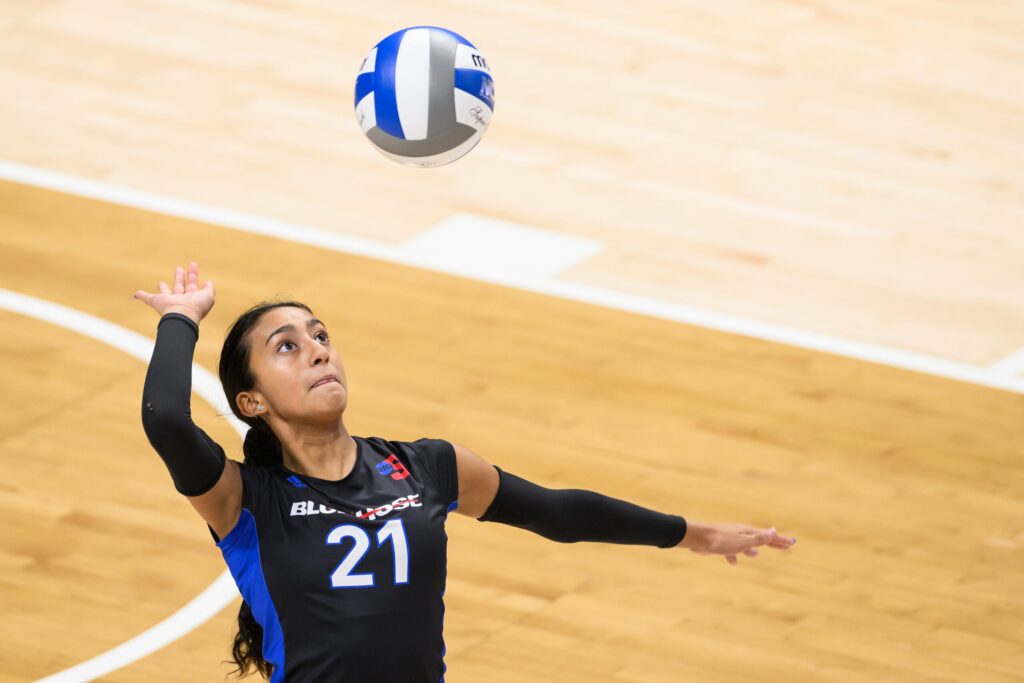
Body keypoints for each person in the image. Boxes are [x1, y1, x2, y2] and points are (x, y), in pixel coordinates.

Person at [134, 262, 796, 682]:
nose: (317, 352)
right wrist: (178, 319)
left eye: (321, 335)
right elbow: (166, 416)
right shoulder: (247, 500)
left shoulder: (425, 467)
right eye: (288, 346)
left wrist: (687, 532)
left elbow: (557, 512)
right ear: (252, 402)